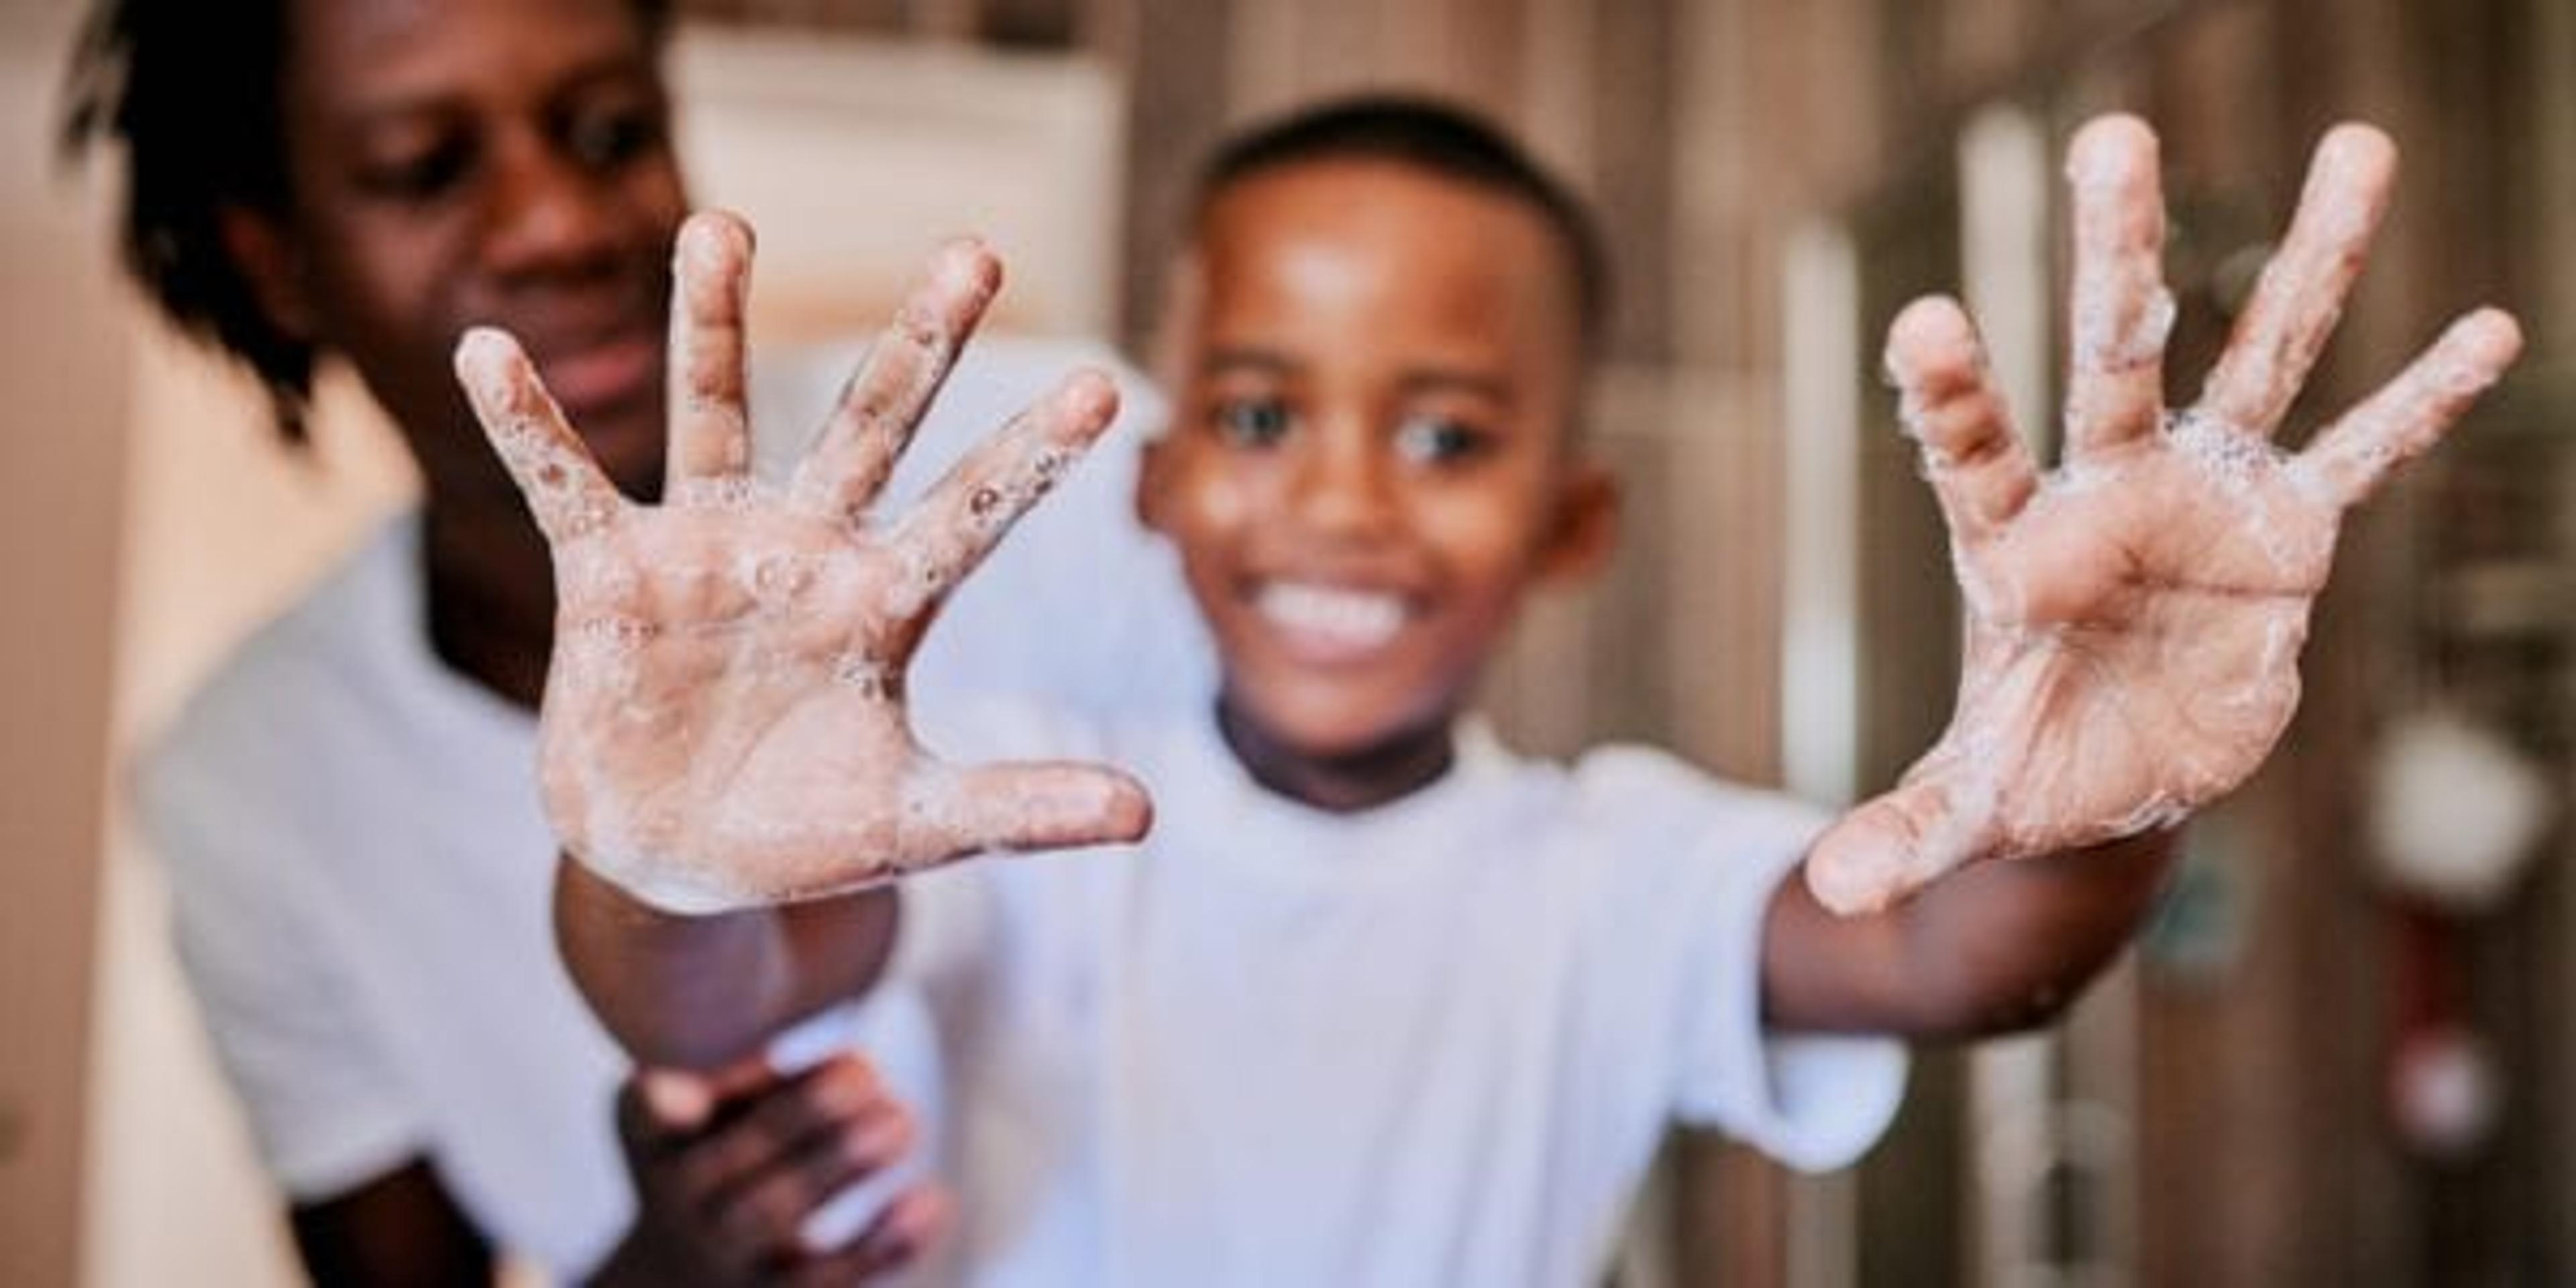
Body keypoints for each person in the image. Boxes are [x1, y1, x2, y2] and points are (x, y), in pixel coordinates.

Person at [485, 96, 2522, 1283]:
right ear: (1170, 485)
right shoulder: (1003, 797)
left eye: (1450, 439)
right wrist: (669, 857)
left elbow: (1958, 963)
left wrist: (2111, 801)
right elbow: (722, 993)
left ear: (1571, 525)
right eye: (1268, 413)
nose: (1350, 504)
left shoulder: (1615, 874)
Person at [64, 0, 1200, 1281]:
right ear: (272, 258)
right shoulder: (248, 780)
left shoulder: (1036, 469)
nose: (560, 225)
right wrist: (660, 1265)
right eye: (422, 170)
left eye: (609, 131)